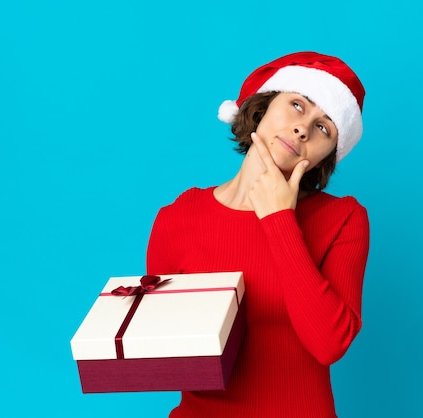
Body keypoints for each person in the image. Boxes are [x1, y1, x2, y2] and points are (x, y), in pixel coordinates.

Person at [146, 51, 370, 418]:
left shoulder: (343, 219)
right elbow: (167, 354)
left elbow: (329, 344)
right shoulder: (179, 216)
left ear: (327, 156)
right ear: (263, 107)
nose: (303, 129)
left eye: (324, 128)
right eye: (298, 105)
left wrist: (279, 218)